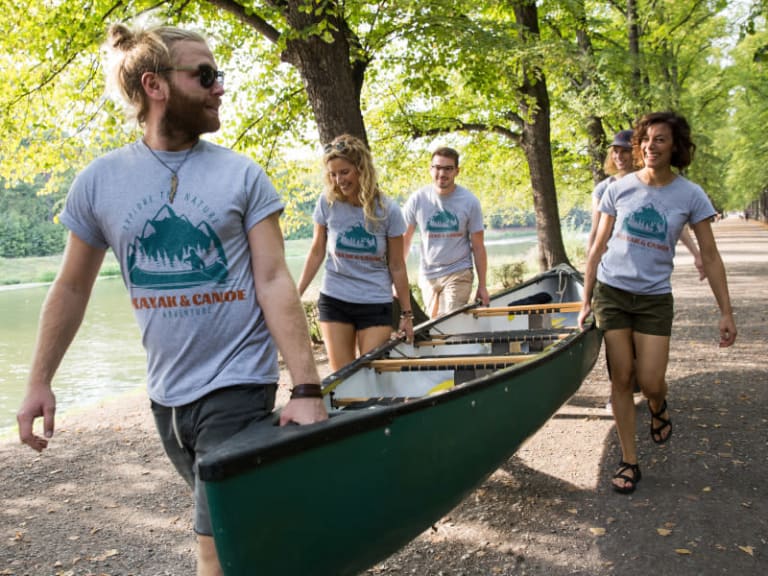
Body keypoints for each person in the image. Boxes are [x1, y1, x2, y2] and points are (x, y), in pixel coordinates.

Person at [16, 23, 327, 576]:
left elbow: (275, 279)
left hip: (238, 384)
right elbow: (70, 286)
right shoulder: (99, 182)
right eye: (204, 75)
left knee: (214, 543)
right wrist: (39, 380)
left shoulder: (242, 175)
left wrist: (305, 387)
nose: (220, 86)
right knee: (241, 529)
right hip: (165, 399)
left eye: (218, 74)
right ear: (155, 85)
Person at [578, 111, 737, 495]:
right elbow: (598, 246)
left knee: (650, 381)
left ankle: (658, 404)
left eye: (660, 139)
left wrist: (726, 311)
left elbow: (711, 256)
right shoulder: (619, 188)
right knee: (621, 378)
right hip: (613, 293)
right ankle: (629, 460)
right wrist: (586, 299)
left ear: (675, 146)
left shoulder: (691, 195)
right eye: (646, 139)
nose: (650, 146)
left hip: (653, 298)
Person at [589, 130, 705, 413]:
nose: (619, 156)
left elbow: (672, 226)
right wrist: (590, 270)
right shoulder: (605, 188)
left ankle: (647, 388)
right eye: (614, 151)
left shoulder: (655, 184)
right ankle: (619, 389)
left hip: (648, 284)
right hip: (612, 275)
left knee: (644, 358)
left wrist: (696, 252)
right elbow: (596, 234)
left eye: (624, 150)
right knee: (618, 349)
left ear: (635, 153)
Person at [297, 134, 414, 373]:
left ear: (361, 169)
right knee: (344, 378)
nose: (339, 180)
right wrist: (296, 295)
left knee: (370, 373)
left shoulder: (387, 210)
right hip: (335, 299)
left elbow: (397, 265)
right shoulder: (327, 203)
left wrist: (407, 313)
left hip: (375, 301)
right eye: (333, 174)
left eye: (344, 172)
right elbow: (317, 251)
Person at [403, 147, 490, 318]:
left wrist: (482, 285)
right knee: (435, 324)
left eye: (448, 168)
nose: (442, 173)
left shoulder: (469, 202)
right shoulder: (417, 199)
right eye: (437, 167)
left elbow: (478, 247)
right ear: (431, 169)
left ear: (457, 171)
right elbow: (404, 240)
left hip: (459, 272)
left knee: (447, 319)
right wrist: (396, 277)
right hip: (428, 275)